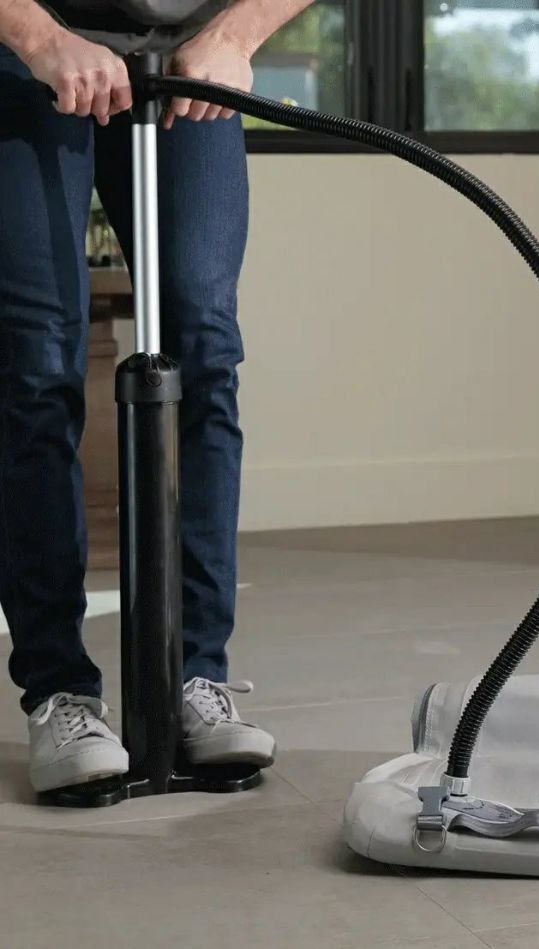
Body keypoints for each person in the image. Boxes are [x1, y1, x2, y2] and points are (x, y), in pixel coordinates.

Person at [0, 0, 314, 793]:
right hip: (24, 48)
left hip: (188, 55)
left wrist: (235, 36)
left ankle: (196, 677)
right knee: (36, 359)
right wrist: (37, 35)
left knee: (203, 343)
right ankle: (59, 690)